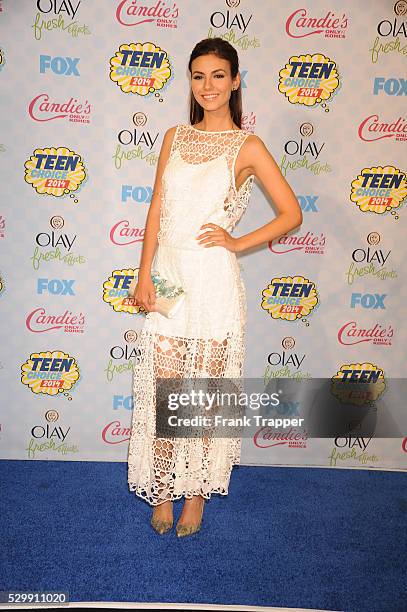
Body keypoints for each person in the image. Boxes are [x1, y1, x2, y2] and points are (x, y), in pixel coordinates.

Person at [127, 37, 302, 537]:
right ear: (190, 81)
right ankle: (162, 488)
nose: (208, 86)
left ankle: (196, 495)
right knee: (164, 387)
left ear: (236, 80)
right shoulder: (173, 137)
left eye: (218, 75)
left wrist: (236, 241)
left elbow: (291, 213)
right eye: (198, 76)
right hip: (167, 275)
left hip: (214, 282)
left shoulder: (247, 146)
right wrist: (143, 274)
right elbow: (157, 208)